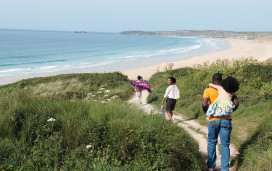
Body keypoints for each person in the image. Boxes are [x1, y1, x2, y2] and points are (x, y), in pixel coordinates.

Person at [202, 73, 239, 171]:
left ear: (213, 80)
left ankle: (210, 167)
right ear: (222, 80)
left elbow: (204, 103)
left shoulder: (208, 90)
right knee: (225, 145)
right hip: (226, 120)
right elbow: (236, 103)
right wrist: (229, 111)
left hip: (213, 120)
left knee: (211, 142)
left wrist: (208, 114)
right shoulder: (229, 89)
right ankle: (225, 169)